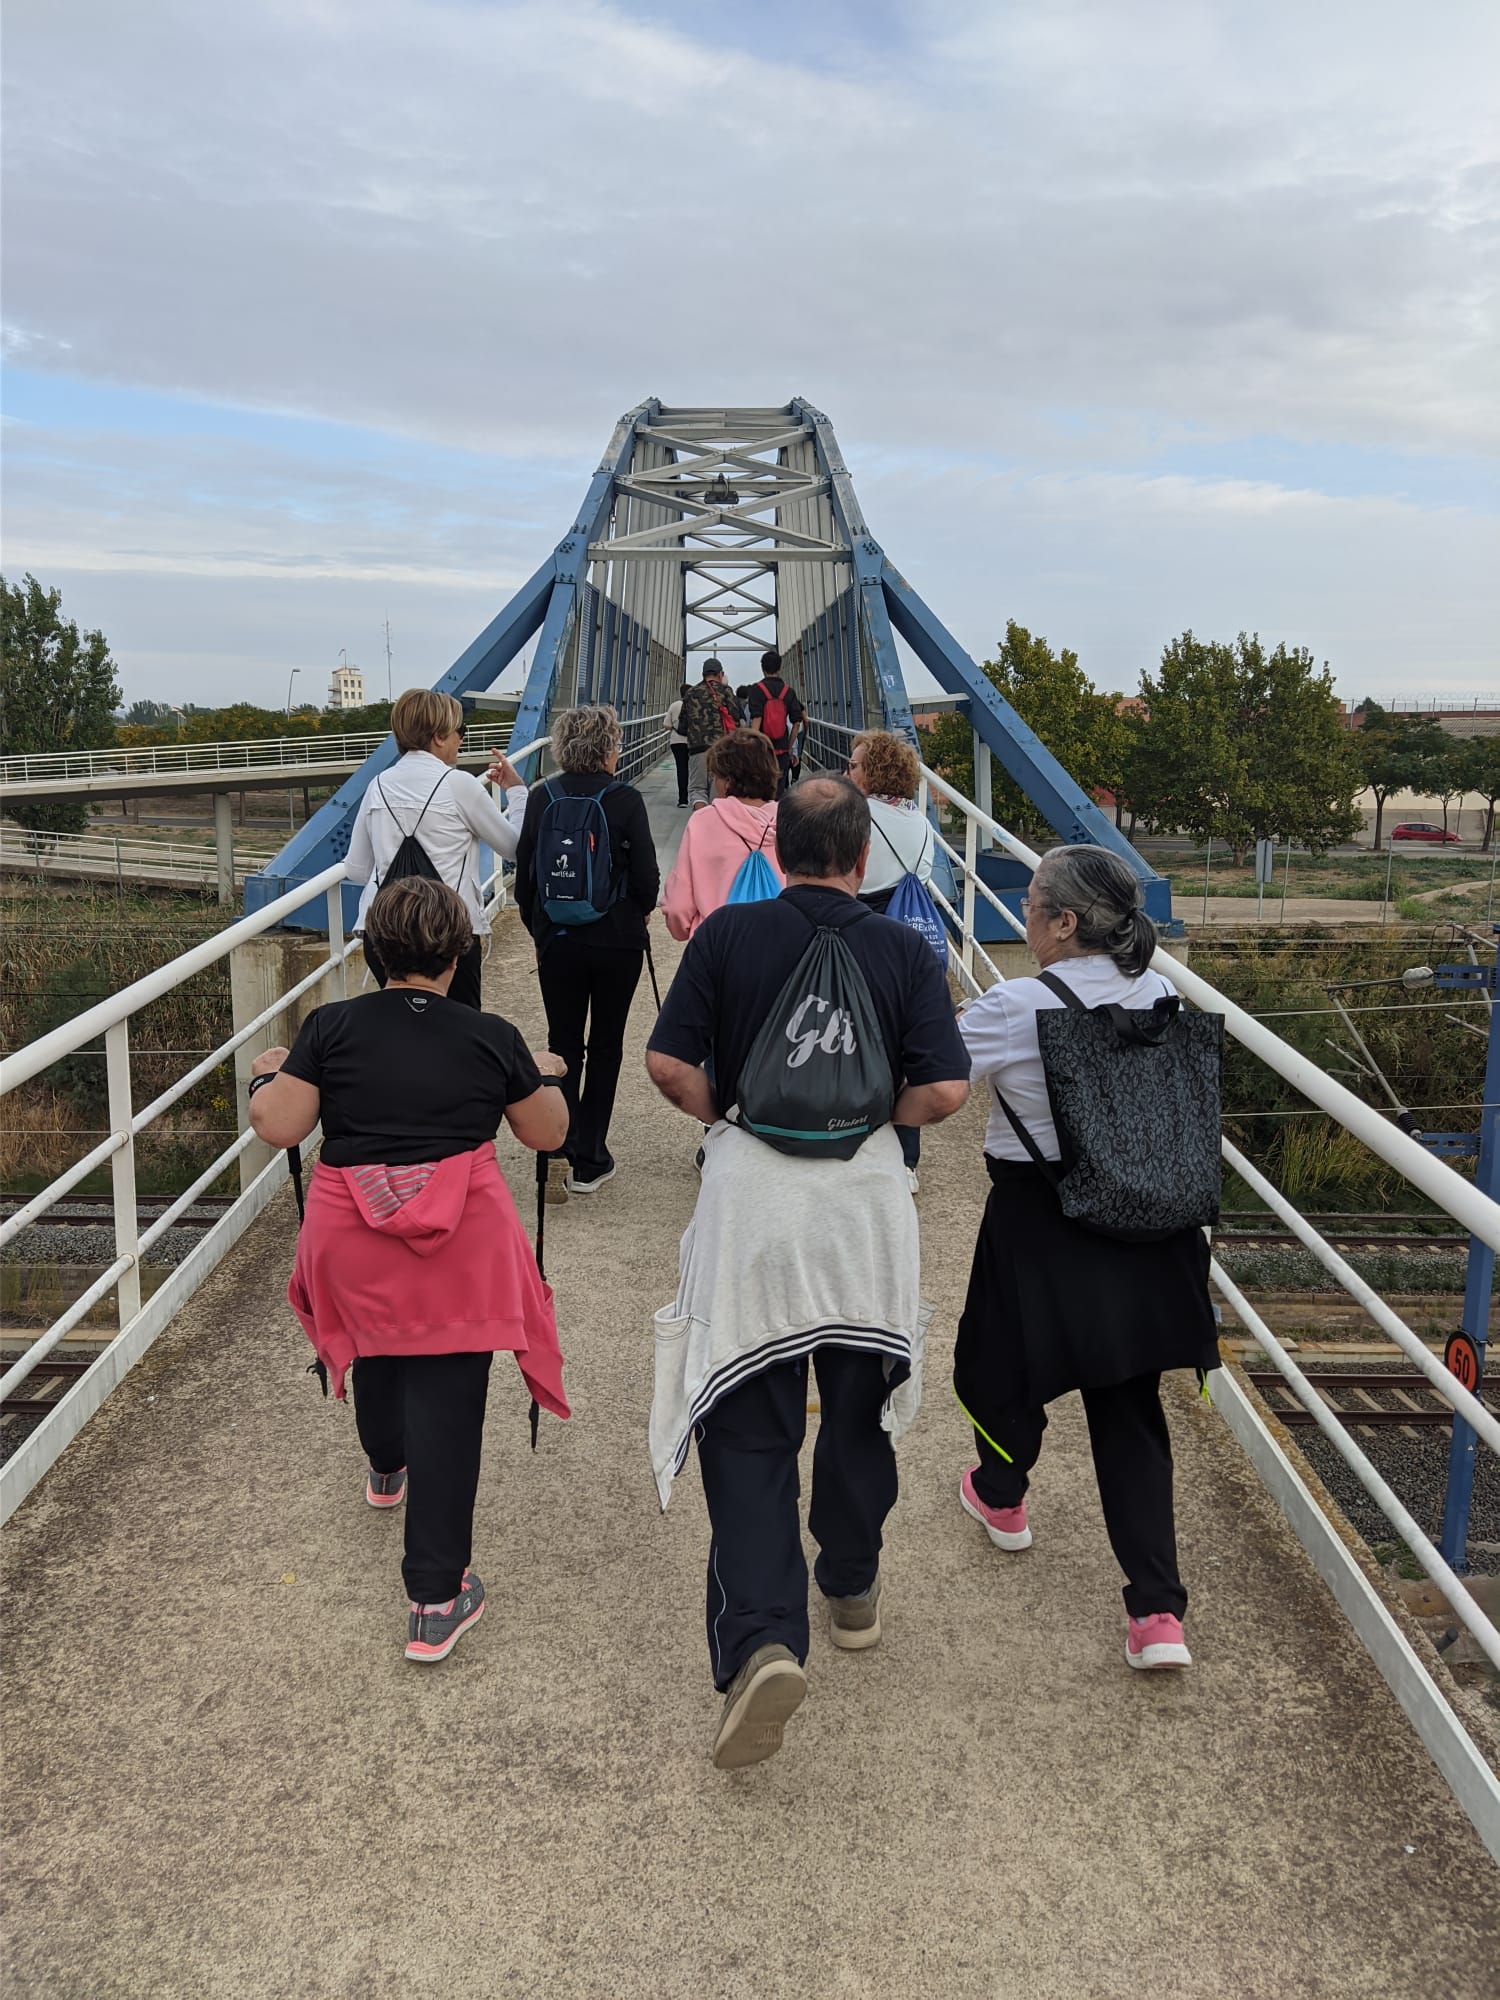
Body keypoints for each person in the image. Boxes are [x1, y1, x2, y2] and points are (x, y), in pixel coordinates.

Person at [645, 778, 970, 1769]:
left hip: (754, 1208)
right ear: (863, 856)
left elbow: (666, 1065)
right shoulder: (905, 949)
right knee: (860, 1406)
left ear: (779, 849)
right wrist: (873, 1121)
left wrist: (732, 1119)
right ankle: (853, 1584)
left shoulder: (727, 936)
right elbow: (946, 1088)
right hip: (864, 1215)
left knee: (750, 1427)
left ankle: (763, 1640)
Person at [247, 877, 571, 1664]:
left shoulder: (330, 1027)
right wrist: (541, 1075)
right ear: (459, 956)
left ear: (373, 952)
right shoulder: (490, 1036)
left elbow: (280, 1125)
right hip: (462, 1248)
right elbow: (547, 1135)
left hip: (352, 1239)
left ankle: (386, 1464)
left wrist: (267, 1075)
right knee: (450, 1402)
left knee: (377, 1343)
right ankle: (435, 1599)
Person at [952, 844, 1219, 1672]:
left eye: (1032, 905)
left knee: (1001, 1365)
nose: (1024, 916)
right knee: (1129, 1403)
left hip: (1040, 1216)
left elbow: (933, 1074)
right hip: (1148, 1220)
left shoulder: (1015, 1005)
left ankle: (1002, 1497)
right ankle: (1158, 1615)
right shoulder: (1162, 992)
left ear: (1065, 922)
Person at [513, 703, 660, 1197]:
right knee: (605, 1045)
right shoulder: (625, 799)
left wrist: (542, 931)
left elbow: (525, 879)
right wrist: (636, 912)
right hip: (617, 941)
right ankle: (591, 1159)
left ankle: (561, 1142)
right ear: (608, 749)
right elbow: (646, 878)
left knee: (563, 1043)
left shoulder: (542, 795)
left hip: (558, 941)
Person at [345, 687, 529, 1011]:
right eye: (460, 730)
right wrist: (516, 792)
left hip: (385, 933)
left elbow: (357, 870)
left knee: (399, 1029)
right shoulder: (459, 784)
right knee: (458, 1029)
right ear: (439, 736)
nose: (462, 739)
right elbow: (514, 848)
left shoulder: (377, 786)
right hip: (446, 935)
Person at [847, 729, 937, 1193]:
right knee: (903, 1045)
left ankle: (852, 1135)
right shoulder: (919, 820)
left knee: (855, 1036)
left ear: (874, 771)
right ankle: (906, 1159)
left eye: (854, 765)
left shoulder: (856, 815)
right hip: (908, 936)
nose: (847, 771)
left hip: (863, 930)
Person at [659, 728, 782, 940]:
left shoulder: (703, 822)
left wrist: (686, 933)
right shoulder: (792, 821)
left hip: (715, 945)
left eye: (716, 776)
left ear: (727, 781)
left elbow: (679, 907)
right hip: (778, 947)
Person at [678, 659, 741, 809]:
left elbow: (682, 726)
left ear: (703, 675)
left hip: (697, 749)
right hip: (721, 750)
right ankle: (714, 820)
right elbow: (736, 719)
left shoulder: (691, 693)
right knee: (718, 793)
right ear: (720, 674)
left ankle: (701, 819)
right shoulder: (726, 691)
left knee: (698, 790)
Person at [746, 649, 805, 797]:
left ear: (762, 668)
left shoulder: (756, 690)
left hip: (762, 750)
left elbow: (756, 719)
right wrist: (789, 747)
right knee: (778, 792)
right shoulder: (788, 692)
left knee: (761, 792)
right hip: (782, 751)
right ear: (779, 668)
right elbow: (797, 723)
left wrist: (752, 747)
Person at [666, 681, 692, 808]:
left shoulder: (674, 705)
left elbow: (666, 725)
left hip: (676, 741)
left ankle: (683, 799)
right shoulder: (694, 705)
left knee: (681, 769)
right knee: (693, 769)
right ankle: (697, 796)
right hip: (692, 742)